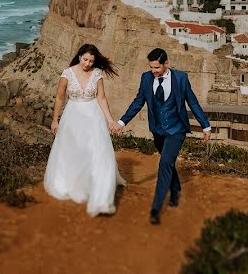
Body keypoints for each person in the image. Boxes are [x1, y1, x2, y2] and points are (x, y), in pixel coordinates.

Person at [114, 48, 211, 224]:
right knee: (168, 161)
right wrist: (122, 122)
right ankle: (175, 189)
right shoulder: (146, 78)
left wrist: (205, 126)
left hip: (177, 129)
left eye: (157, 68)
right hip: (158, 130)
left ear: (166, 64)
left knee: (165, 163)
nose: (153, 71)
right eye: (151, 67)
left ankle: (156, 209)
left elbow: (193, 101)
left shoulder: (181, 78)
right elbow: (138, 102)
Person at [43, 44, 126, 216]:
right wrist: (55, 120)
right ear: (80, 56)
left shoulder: (97, 74)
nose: (88, 63)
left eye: (91, 61)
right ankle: (74, 183)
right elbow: (59, 97)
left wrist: (110, 121)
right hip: (72, 116)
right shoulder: (67, 73)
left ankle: (97, 188)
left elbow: (101, 98)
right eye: (85, 59)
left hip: (93, 115)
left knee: (96, 150)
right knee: (73, 151)